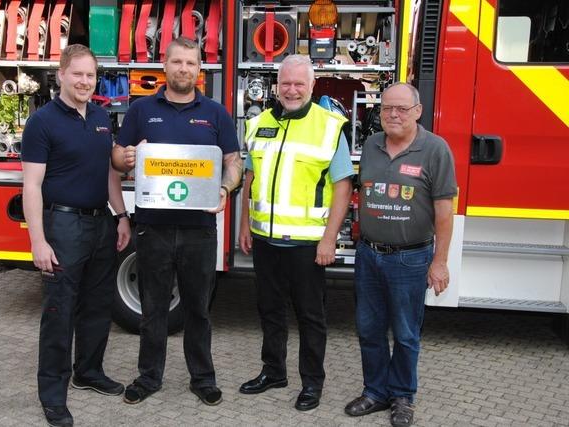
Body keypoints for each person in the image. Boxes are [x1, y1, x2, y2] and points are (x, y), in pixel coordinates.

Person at [111, 37, 242, 407]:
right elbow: (117, 157)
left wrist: (225, 188)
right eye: (178, 62)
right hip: (152, 227)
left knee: (198, 309)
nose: (184, 69)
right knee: (153, 308)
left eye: (191, 63)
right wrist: (126, 157)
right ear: (165, 65)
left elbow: (233, 161)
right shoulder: (141, 110)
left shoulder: (215, 113)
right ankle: (148, 377)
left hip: (199, 230)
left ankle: (203, 379)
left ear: (199, 69)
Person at [22, 44, 131, 427]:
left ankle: (89, 371)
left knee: (97, 305)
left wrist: (121, 216)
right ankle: (53, 395)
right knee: (59, 312)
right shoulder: (42, 122)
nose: (85, 81)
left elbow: (109, 174)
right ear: (62, 75)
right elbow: (31, 186)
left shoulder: (101, 117)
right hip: (63, 226)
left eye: (90, 75)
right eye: (78, 74)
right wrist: (38, 241)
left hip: (100, 223)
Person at [238, 55, 353, 411]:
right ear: (277, 85)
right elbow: (250, 177)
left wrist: (329, 239)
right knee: (269, 310)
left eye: (299, 84)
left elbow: (343, 186)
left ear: (312, 86)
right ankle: (273, 371)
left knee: (310, 316)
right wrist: (244, 224)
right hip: (265, 240)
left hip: (307, 244)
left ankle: (312, 383)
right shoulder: (259, 123)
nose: (291, 90)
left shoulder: (329, 127)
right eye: (285, 83)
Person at [345, 82, 457, 427]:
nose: (393, 114)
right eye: (386, 108)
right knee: (369, 329)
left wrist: (440, 262)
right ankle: (375, 392)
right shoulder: (372, 145)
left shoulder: (435, 149)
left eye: (402, 109)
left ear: (418, 112)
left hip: (410, 259)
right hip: (369, 255)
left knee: (406, 334)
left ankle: (403, 396)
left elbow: (444, 212)